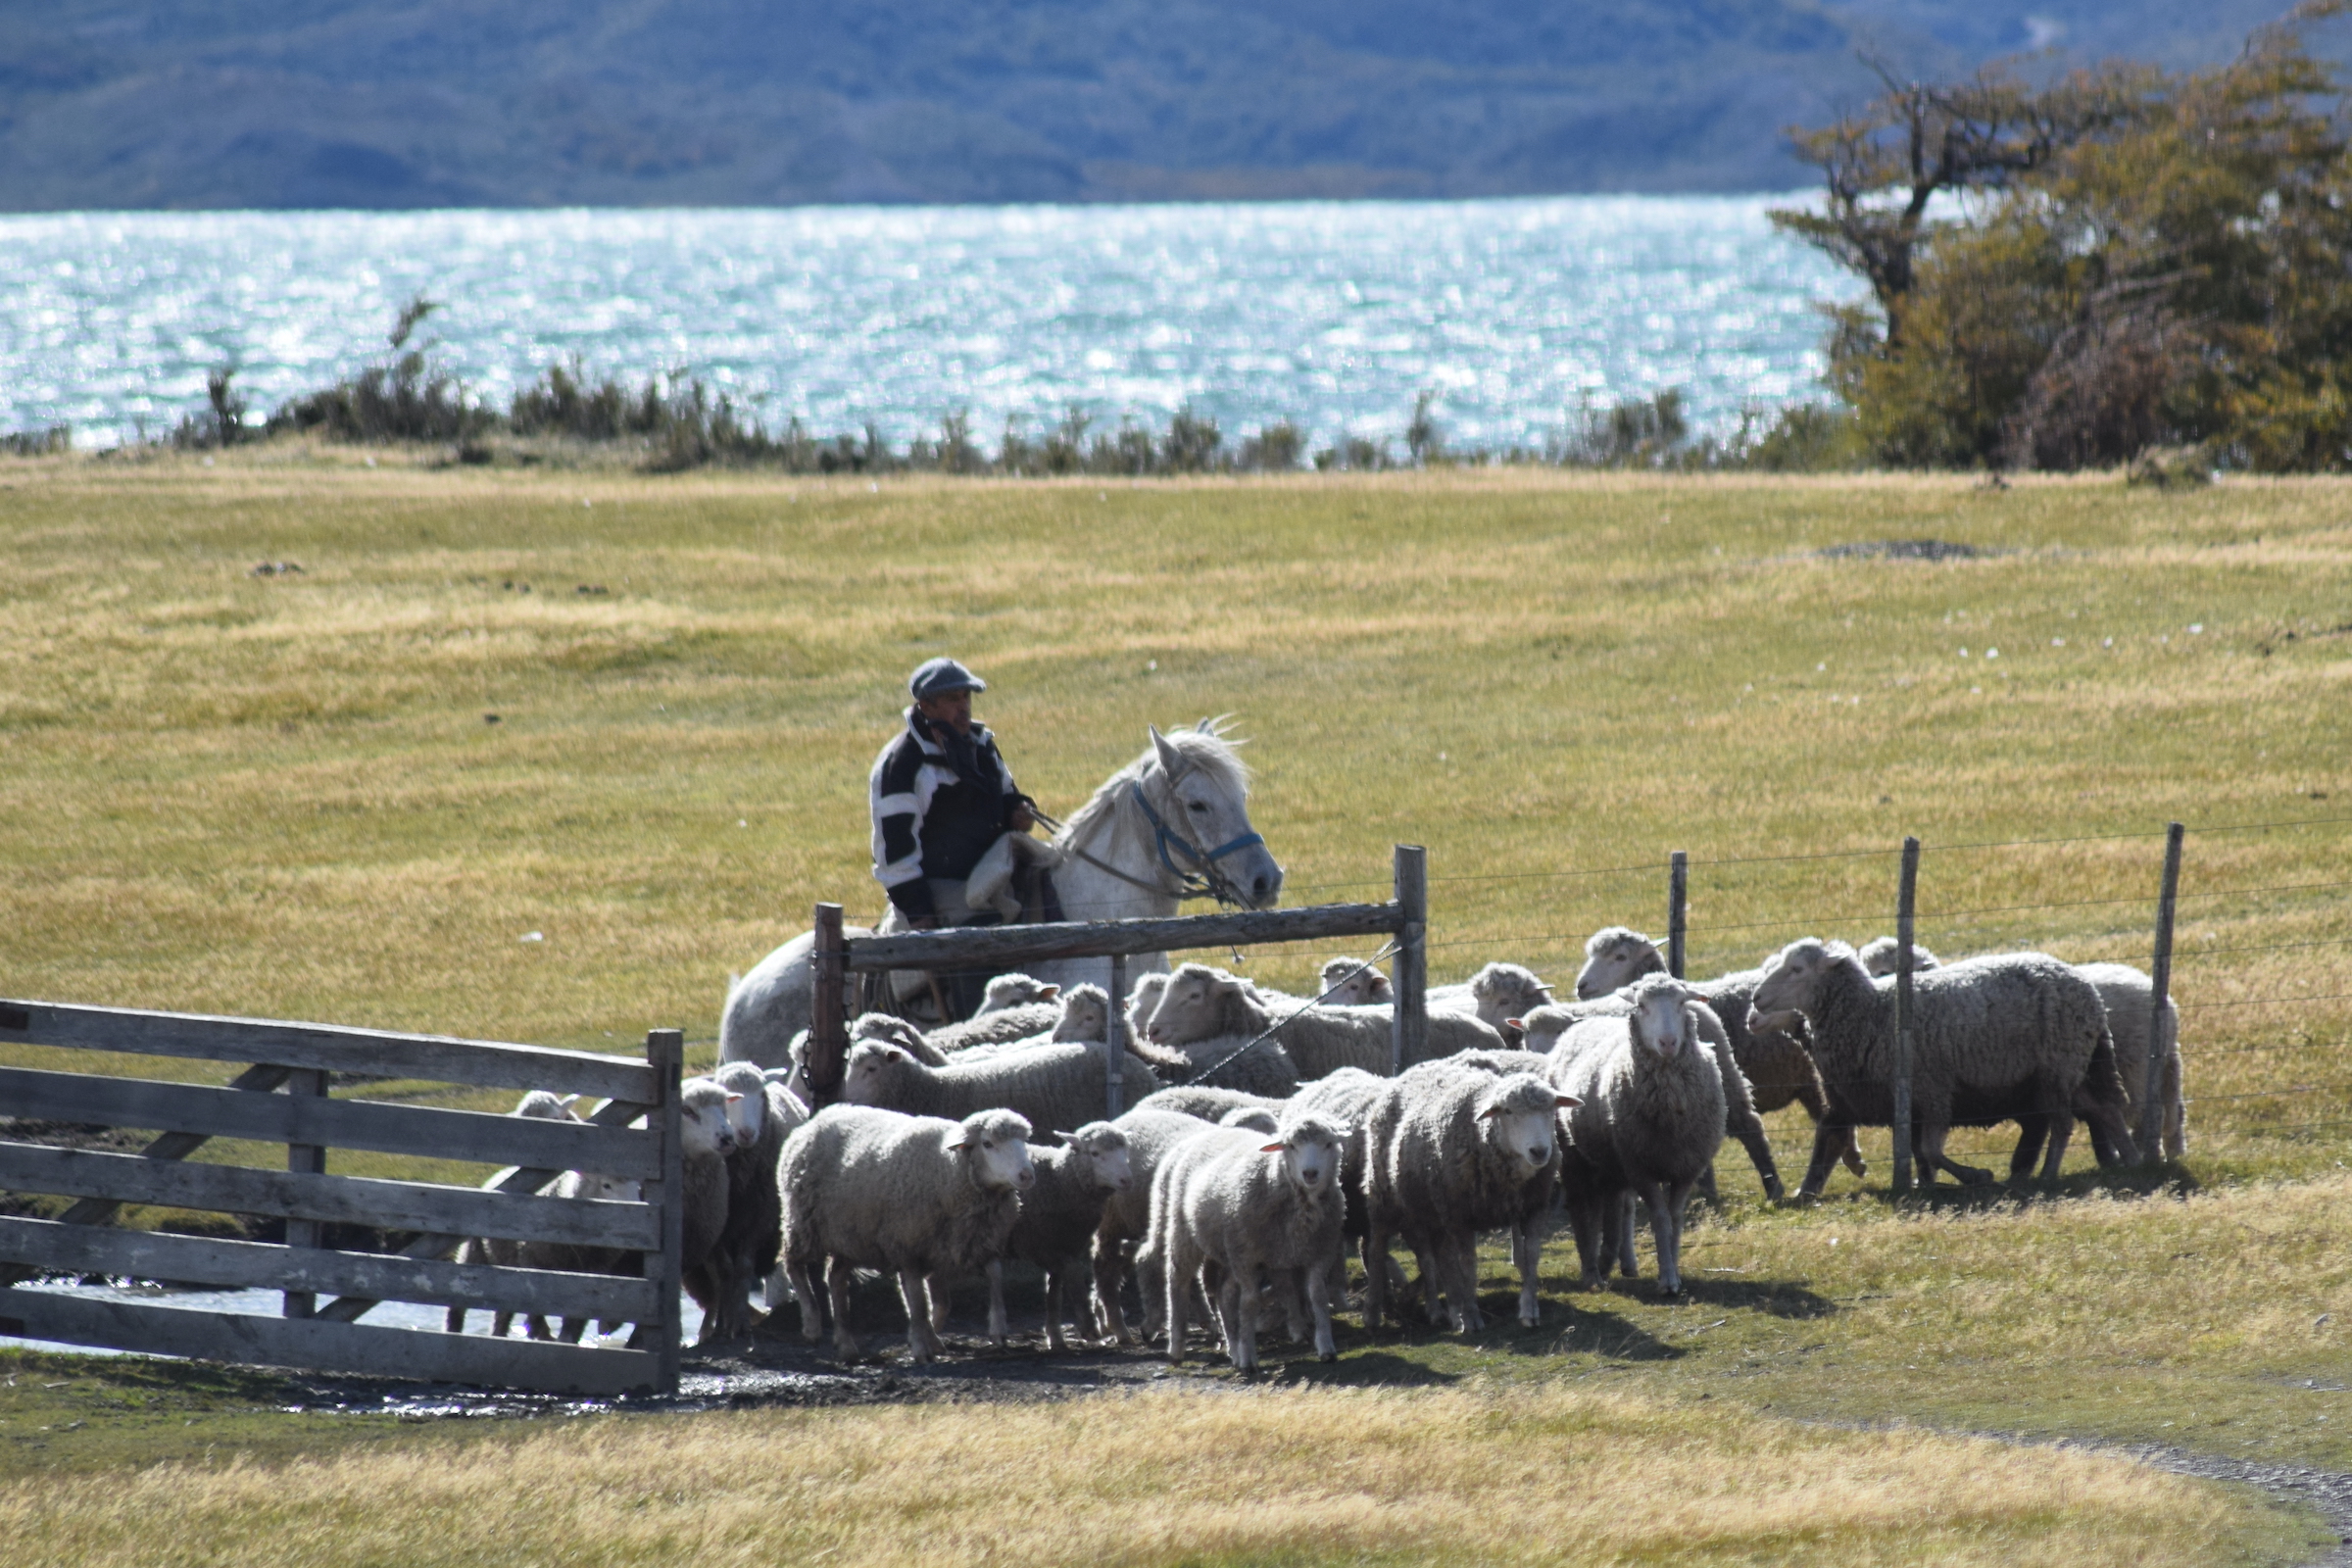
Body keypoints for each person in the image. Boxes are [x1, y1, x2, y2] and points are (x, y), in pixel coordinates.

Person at [869, 657, 1039, 938]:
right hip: (939, 888)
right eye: (951, 699)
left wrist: (1018, 812)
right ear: (926, 706)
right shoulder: (902, 765)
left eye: (966, 697)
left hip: (995, 872)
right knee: (986, 936)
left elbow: (1008, 796)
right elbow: (895, 854)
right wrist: (920, 913)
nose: (963, 707)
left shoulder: (981, 744)